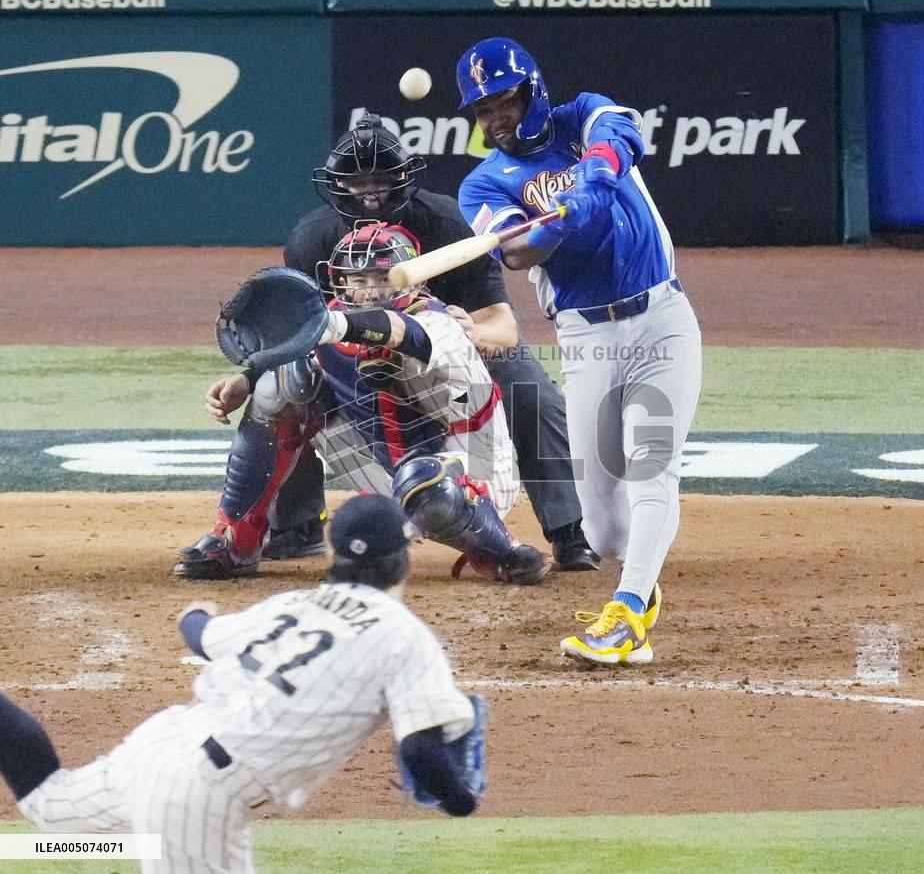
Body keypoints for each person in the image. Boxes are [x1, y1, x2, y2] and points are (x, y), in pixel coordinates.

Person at [0, 494, 486, 874]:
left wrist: (195, 612)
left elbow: (200, 635)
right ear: (402, 558)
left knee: (51, 806)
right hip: (201, 794)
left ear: (336, 553)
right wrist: (460, 801)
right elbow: (422, 748)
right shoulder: (403, 636)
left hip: (158, 747)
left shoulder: (290, 605)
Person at [248, 111, 598, 572]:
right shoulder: (312, 241)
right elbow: (299, 333)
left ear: (403, 177)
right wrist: (246, 378)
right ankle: (296, 527)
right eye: (355, 180)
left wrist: (469, 333)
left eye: (382, 177)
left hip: (453, 349)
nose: (369, 189)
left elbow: (502, 326)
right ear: (335, 184)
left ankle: (570, 533)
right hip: (357, 358)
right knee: (281, 387)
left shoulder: (448, 222)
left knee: (529, 387)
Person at [454, 38, 703, 665]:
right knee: (602, 526)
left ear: (530, 90)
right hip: (587, 337)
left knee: (653, 466)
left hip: (662, 319)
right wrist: (557, 222)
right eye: (480, 111)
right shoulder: (481, 184)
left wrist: (593, 179)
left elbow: (621, 135)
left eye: (501, 101)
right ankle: (633, 578)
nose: (493, 119)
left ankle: (630, 611)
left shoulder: (583, 114)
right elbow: (513, 252)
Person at [176, 222, 550, 587]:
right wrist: (246, 380)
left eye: (381, 278)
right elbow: (294, 355)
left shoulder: (440, 321)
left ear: (410, 278)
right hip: (382, 469)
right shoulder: (331, 322)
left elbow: (400, 330)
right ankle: (236, 539)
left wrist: (335, 325)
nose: (369, 291)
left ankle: (501, 549)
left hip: (473, 468)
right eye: (359, 280)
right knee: (281, 387)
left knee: (425, 480)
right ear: (340, 281)